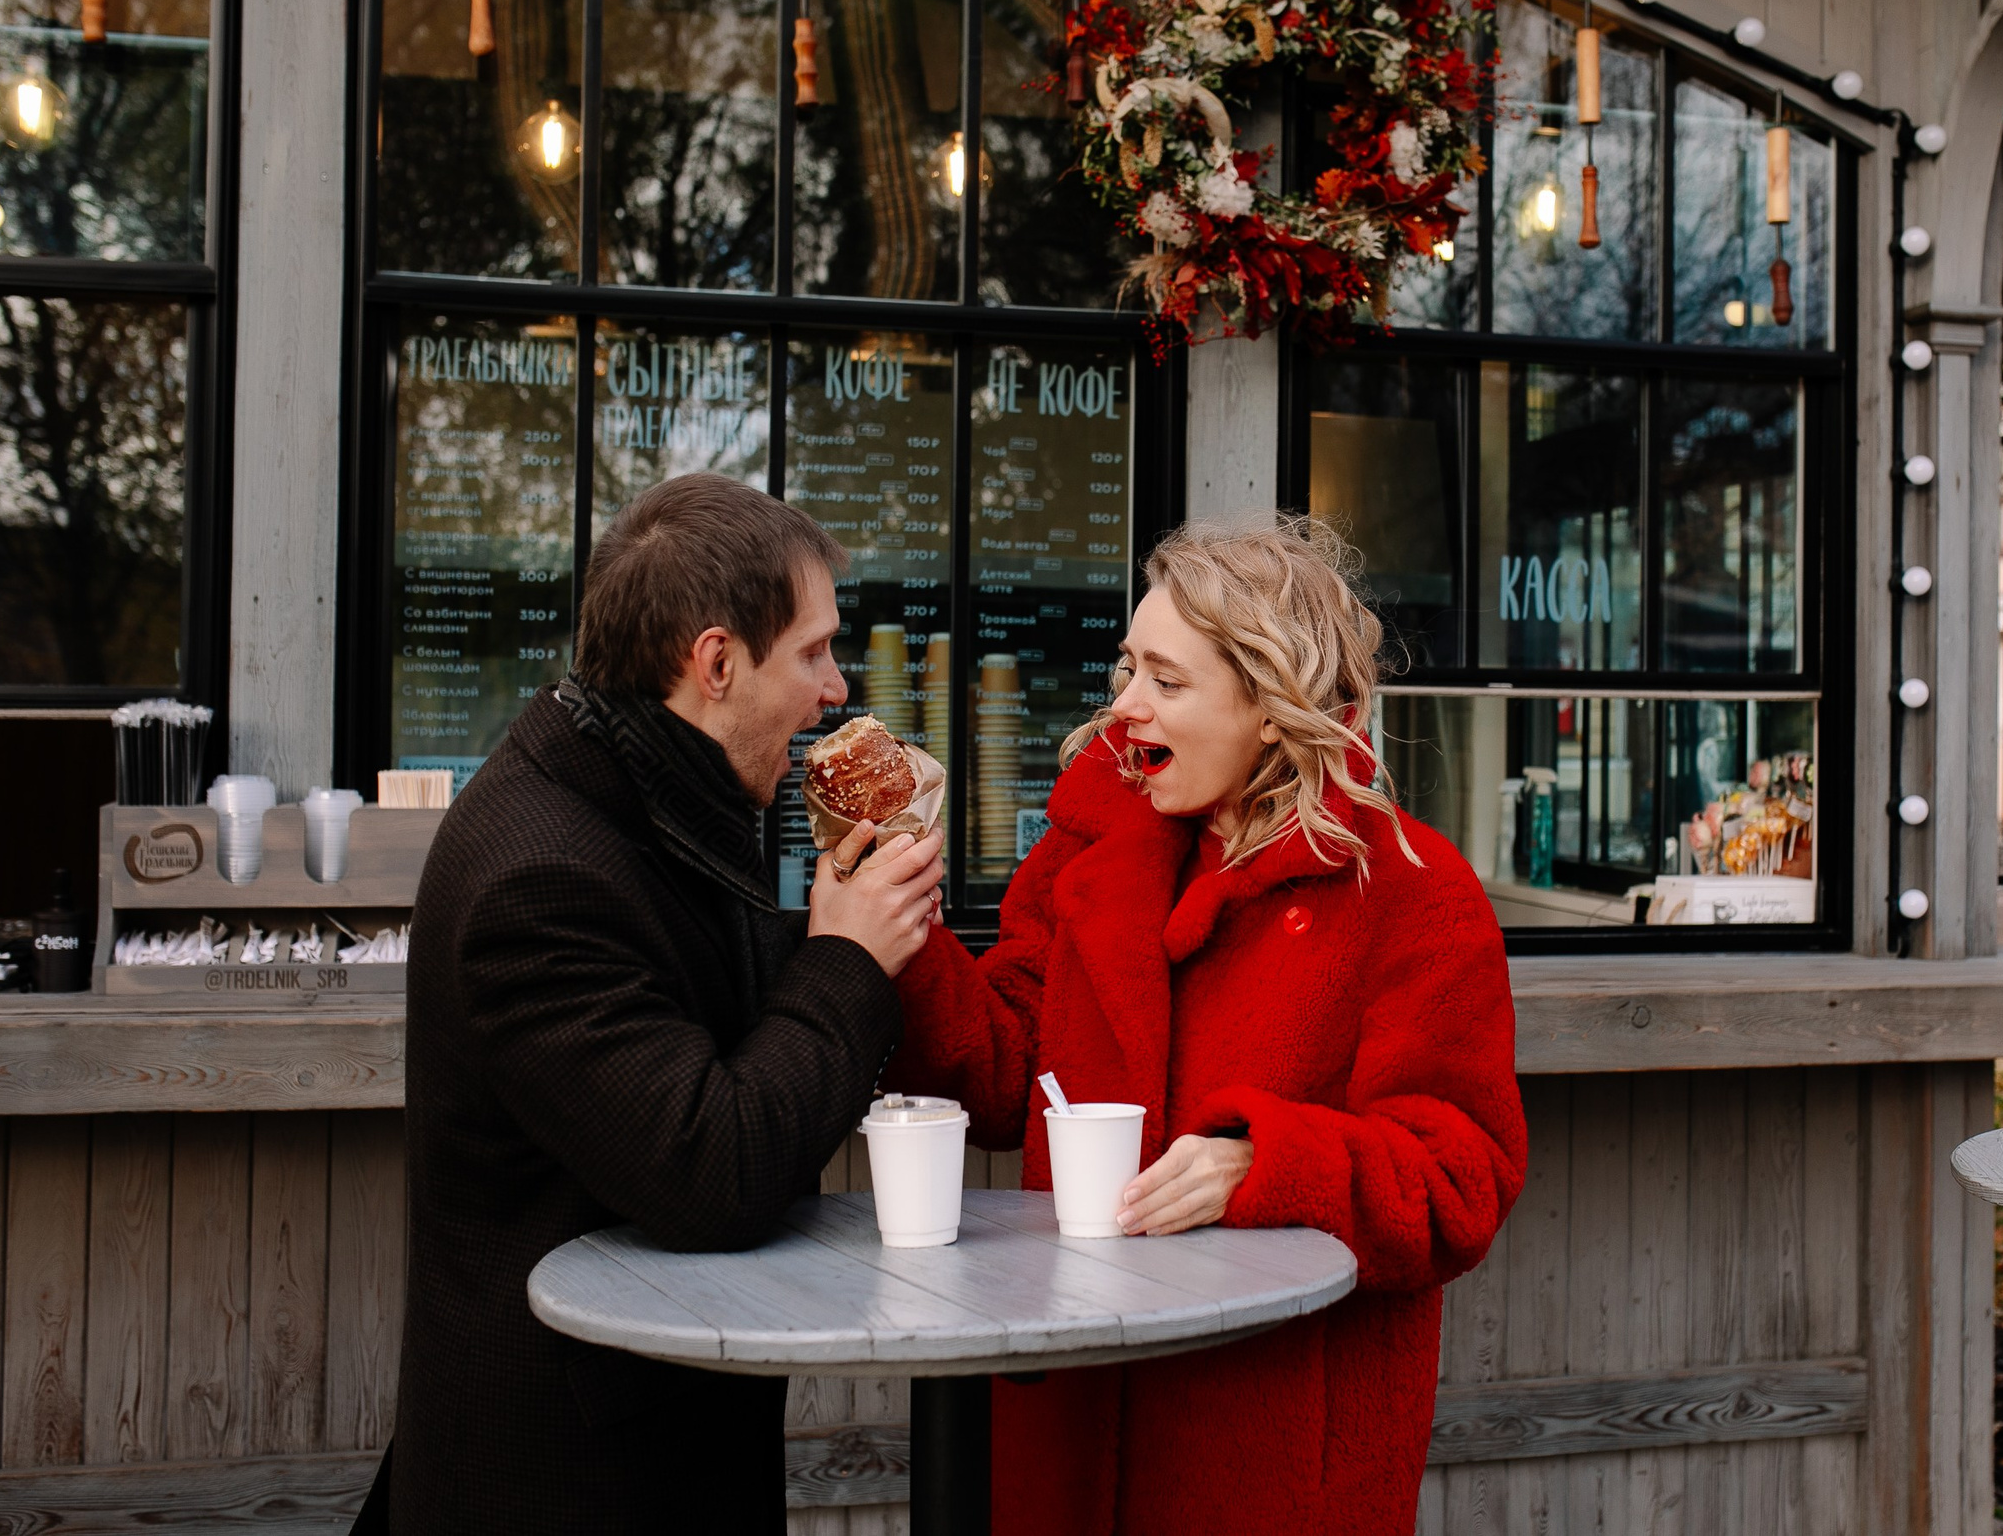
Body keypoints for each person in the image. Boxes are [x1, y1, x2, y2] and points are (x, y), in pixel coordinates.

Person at [883, 515, 1526, 1536]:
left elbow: (1460, 1178)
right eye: (1129, 667)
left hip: (1269, 1455)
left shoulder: (1409, 892)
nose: (1123, 706)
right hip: (1075, 1418)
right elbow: (1008, 1076)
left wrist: (1265, 1163)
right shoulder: (1089, 853)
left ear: (1272, 709)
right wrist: (898, 937)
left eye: (1168, 683)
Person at [367, 474, 946, 1536]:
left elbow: (689, 991)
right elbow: (707, 1166)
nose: (837, 689)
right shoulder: (538, 874)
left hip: (651, 1437)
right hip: (568, 1482)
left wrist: (848, 923)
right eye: (813, 651)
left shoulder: (649, 802)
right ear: (716, 663)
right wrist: (848, 956)